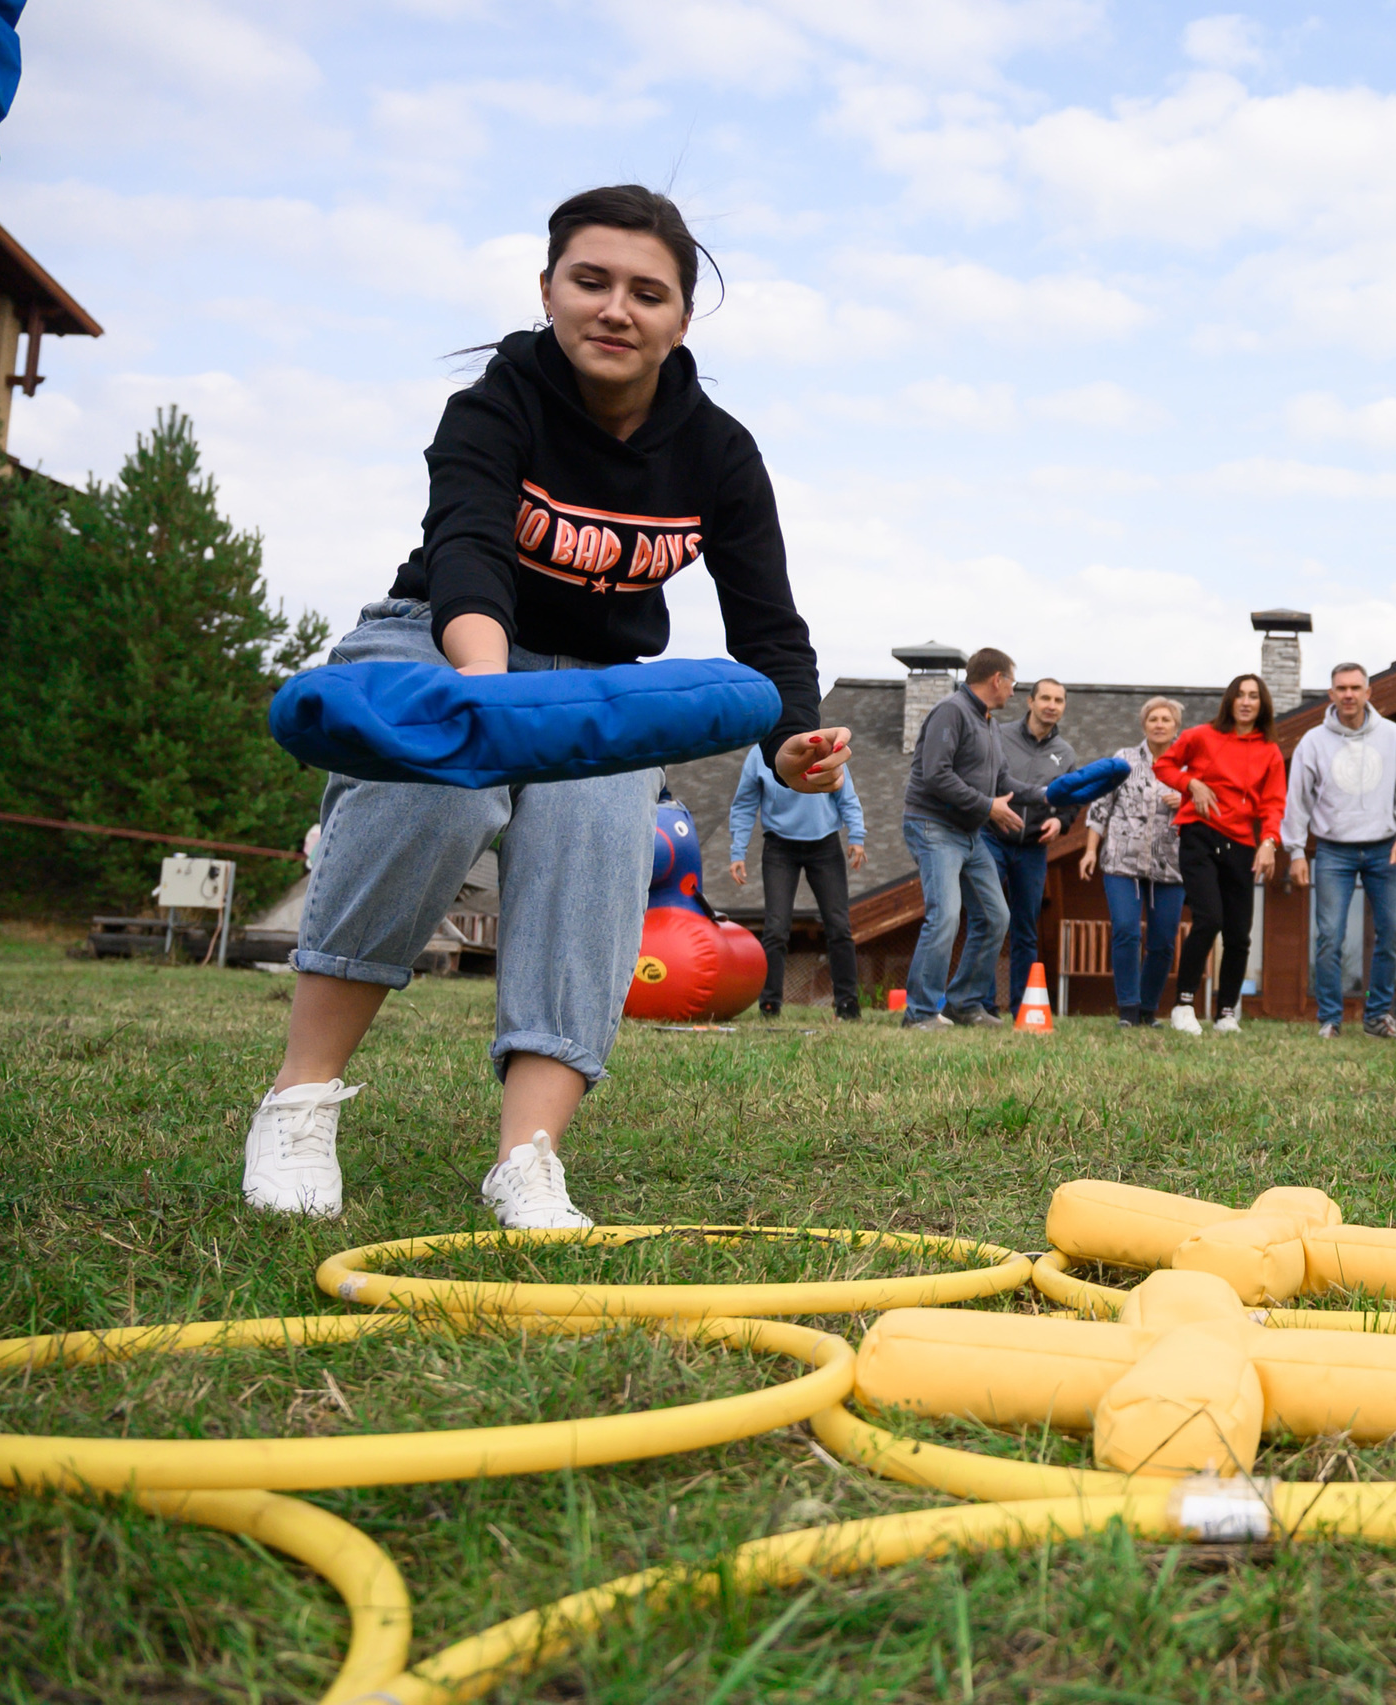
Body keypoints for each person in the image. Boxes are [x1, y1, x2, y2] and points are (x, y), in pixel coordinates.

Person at [240, 185, 847, 1230]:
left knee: (599, 843)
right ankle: (297, 1102)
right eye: (592, 281)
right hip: (441, 634)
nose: (617, 308)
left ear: (681, 319)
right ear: (548, 290)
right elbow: (470, 550)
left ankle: (527, 1157)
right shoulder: (495, 404)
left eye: (647, 292)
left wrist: (794, 739)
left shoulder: (717, 450)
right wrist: (482, 700)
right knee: (438, 793)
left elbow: (770, 628)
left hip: (597, 678)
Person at [1282, 662, 1396, 1039]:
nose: (1348, 694)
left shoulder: (1391, 736)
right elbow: (1296, 801)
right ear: (1331, 694)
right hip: (1333, 852)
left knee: (1391, 933)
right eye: (1341, 688)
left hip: (1383, 848)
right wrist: (1296, 851)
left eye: (1355, 688)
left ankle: (1377, 1017)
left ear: (1368, 692)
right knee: (1329, 936)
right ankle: (1330, 1018)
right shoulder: (1313, 741)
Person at [901, 648, 1028, 1031]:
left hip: (969, 832)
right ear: (997, 680)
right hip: (933, 826)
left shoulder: (987, 722)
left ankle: (963, 1004)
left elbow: (1003, 782)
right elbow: (935, 775)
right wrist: (989, 807)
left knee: (995, 916)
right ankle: (920, 1014)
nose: (1012, 691)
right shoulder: (951, 711)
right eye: (1013, 682)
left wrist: (1050, 795)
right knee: (945, 917)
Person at [1154, 673, 1285, 1035]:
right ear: (1229, 701)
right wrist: (1190, 782)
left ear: (1262, 705)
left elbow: (1274, 804)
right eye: (1239, 695)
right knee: (1209, 919)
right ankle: (1183, 1005)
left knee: (1240, 934)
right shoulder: (1201, 736)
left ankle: (1226, 1012)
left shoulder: (1269, 751)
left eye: (1253, 696)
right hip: (1199, 835)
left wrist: (1269, 842)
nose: (1246, 702)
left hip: (1242, 844)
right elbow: (1162, 765)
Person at [727, 740, 866, 1019]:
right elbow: (744, 805)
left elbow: (845, 794)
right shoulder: (759, 755)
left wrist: (857, 835)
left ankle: (847, 1004)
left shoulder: (825, 750)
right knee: (776, 928)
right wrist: (737, 851)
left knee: (838, 925)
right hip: (779, 848)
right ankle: (769, 1004)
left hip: (825, 845)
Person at [1080, 696, 1187, 1028]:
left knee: (1163, 941)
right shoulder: (1123, 760)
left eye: (1165, 719)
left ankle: (1148, 1010)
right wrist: (1089, 851)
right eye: (1153, 718)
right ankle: (1128, 1008)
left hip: (1170, 867)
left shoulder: (1188, 766)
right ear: (1144, 724)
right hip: (1120, 863)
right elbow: (1100, 807)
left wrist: (1185, 800)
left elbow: (1207, 807)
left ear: (1176, 727)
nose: (1158, 724)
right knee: (1126, 931)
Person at [985, 677, 1078, 1016]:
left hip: (1033, 848)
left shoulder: (1065, 753)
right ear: (1030, 701)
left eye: (1059, 700)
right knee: (990, 920)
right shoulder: (999, 734)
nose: (1052, 705)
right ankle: (983, 1005)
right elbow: (981, 775)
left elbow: (1071, 801)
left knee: (1025, 928)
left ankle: (1022, 1007)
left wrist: (1061, 822)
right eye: (1046, 698)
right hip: (991, 839)